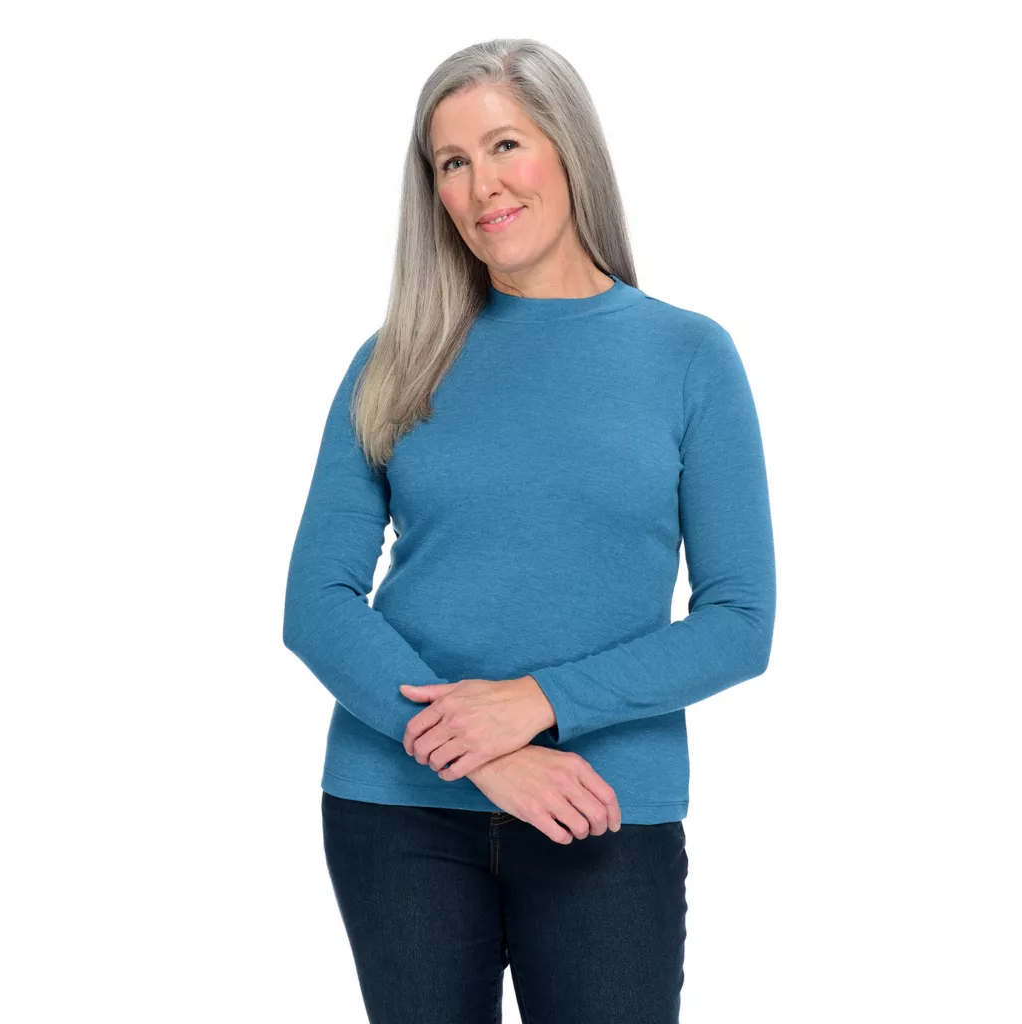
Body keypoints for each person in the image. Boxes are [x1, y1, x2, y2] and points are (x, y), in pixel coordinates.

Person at [282, 36, 776, 1024]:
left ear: (567, 147)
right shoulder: (396, 359)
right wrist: (486, 753)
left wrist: (539, 703)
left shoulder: (687, 356)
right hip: (398, 809)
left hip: (601, 803)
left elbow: (739, 622)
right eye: (451, 162)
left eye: (505, 145)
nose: (481, 187)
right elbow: (317, 603)